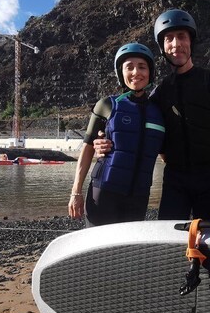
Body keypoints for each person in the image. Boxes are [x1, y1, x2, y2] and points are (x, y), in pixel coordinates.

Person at [94, 9, 210, 222]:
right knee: (169, 246)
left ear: (191, 42)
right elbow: (141, 132)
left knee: (209, 245)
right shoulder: (159, 93)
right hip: (175, 181)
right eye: (169, 38)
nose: (176, 44)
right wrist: (103, 142)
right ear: (162, 47)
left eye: (182, 36)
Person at [68, 43, 165, 226]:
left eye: (142, 67)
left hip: (138, 198)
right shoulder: (106, 105)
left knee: (127, 253)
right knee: (98, 252)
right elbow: (88, 149)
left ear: (150, 72)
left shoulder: (159, 112)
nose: (136, 72)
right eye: (129, 67)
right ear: (121, 73)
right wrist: (76, 192)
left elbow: (164, 151)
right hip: (104, 193)